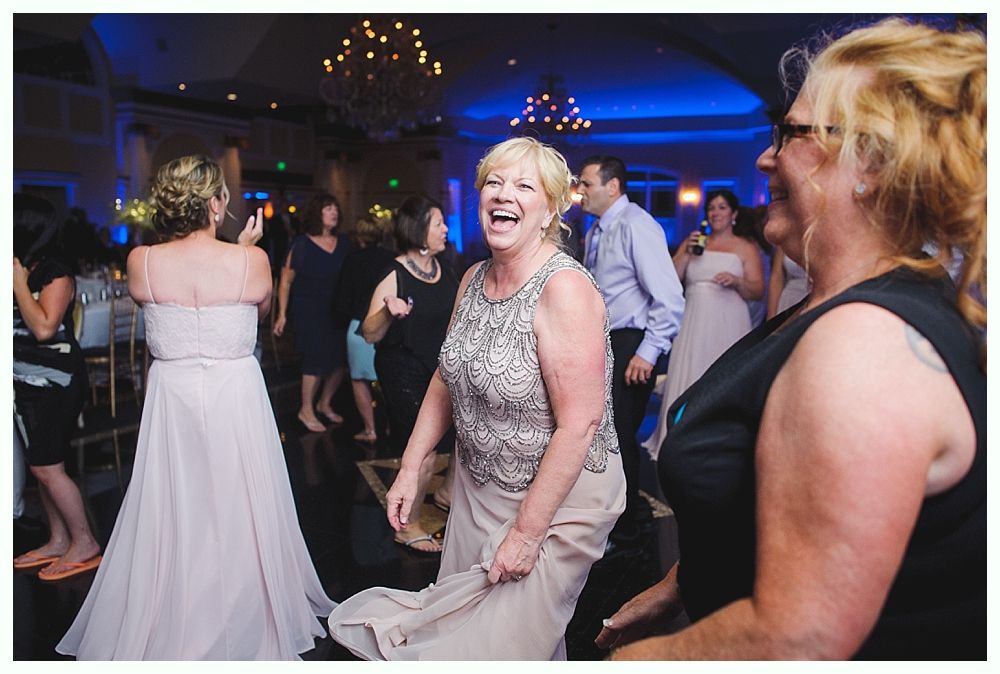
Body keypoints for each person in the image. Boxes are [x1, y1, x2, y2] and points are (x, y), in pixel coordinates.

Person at [597, 17, 985, 659]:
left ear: (869, 165)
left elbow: (798, 635)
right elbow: (794, 511)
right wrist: (683, 583)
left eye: (791, 133)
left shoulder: (864, 345)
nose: (765, 156)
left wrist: (632, 661)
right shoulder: (836, 305)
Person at [328, 137, 625, 660]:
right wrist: (411, 469)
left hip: (555, 503)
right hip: (477, 490)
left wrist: (527, 533)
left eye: (524, 186)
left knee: (505, 646)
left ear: (549, 211)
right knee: (465, 636)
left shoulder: (565, 290)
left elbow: (579, 424)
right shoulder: (471, 278)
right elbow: (446, 378)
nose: (503, 194)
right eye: (494, 182)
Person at [56, 155, 336, 659]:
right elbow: (259, 311)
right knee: (239, 498)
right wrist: (244, 250)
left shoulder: (141, 261)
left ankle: (174, 601)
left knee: (176, 499)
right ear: (214, 204)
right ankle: (244, 604)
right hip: (235, 394)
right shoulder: (251, 262)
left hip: (174, 395)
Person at [577, 155, 684, 553]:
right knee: (601, 434)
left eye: (587, 184)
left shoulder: (637, 225)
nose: (580, 192)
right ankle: (606, 521)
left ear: (613, 187)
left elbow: (670, 297)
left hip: (630, 343)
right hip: (602, 340)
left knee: (619, 437)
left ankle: (626, 533)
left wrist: (648, 352)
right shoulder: (596, 229)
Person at [358, 195, 458, 553]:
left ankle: (446, 493)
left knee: (466, 437)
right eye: (438, 223)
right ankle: (408, 525)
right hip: (402, 369)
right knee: (424, 449)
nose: (445, 229)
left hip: (437, 368)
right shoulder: (394, 272)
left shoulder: (444, 268)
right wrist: (388, 310)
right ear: (418, 230)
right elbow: (369, 334)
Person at [13, 194, 102, 581]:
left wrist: (18, 284)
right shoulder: (22, 265)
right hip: (24, 384)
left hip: (58, 383)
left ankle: (85, 541)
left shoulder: (55, 273)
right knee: (41, 468)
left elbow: (44, 327)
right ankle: (58, 539)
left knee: (47, 466)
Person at [642, 189, 764, 460]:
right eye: (711, 208)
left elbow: (757, 291)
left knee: (722, 375)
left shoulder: (745, 247)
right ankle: (678, 438)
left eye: (722, 207)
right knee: (692, 371)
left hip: (729, 319)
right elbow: (670, 279)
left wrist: (737, 281)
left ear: (733, 214)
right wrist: (686, 252)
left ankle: (721, 439)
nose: (715, 212)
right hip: (694, 318)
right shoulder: (695, 242)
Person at [273, 192, 352, 432]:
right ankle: (305, 409)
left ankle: (324, 403)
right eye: (328, 208)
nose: (333, 212)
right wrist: (282, 314)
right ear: (316, 213)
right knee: (314, 361)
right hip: (309, 310)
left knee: (340, 361)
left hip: (337, 310)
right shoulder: (301, 244)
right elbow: (285, 282)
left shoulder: (344, 243)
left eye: (335, 208)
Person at [333, 215, 396, 442]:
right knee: (389, 379)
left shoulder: (352, 260)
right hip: (387, 325)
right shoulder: (393, 259)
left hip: (359, 325)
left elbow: (342, 298)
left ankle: (370, 429)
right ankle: (392, 426)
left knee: (359, 379)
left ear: (359, 236)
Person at [767, 246, 811, 318]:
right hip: (789, 300)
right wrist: (771, 316)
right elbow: (776, 277)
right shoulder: (784, 241)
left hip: (816, 298)